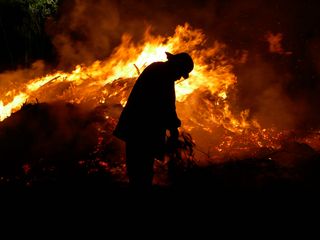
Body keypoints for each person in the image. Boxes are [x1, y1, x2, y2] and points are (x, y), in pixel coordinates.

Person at [113, 52, 194, 190]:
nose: (180, 77)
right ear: (177, 66)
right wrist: (174, 130)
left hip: (135, 127)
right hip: (142, 130)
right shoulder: (163, 75)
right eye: (181, 72)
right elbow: (166, 105)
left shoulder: (159, 70)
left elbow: (166, 106)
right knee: (142, 171)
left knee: (136, 171)